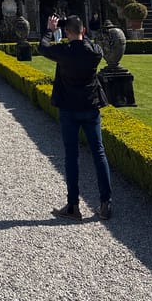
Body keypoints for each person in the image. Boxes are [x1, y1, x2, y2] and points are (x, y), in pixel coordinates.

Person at [38, 14, 112, 221]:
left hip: (69, 109)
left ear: (67, 33)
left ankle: (73, 206)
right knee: (99, 153)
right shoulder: (94, 52)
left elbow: (42, 47)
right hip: (90, 107)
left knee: (71, 156)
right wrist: (80, 33)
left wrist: (50, 30)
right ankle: (106, 203)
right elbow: (87, 43)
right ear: (84, 31)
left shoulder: (63, 52)